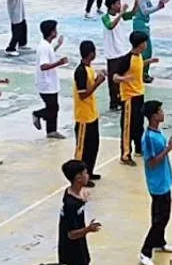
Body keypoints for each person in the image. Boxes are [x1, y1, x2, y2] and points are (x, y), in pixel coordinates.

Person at [139, 100, 172, 265]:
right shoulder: (148, 137)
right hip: (157, 184)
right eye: (160, 111)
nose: (163, 113)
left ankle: (159, 241)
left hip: (163, 180)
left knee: (161, 215)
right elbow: (151, 162)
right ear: (154, 116)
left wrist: (171, 146)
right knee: (160, 218)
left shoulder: (157, 132)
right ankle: (145, 251)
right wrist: (169, 148)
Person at [114, 30, 157, 165]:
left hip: (139, 94)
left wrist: (149, 61)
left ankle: (139, 149)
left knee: (138, 125)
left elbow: (138, 66)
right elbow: (115, 77)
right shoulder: (127, 59)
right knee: (128, 127)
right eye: (144, 42)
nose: (146, 44)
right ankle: (125, 155)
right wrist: (124, 78)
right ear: (140, 44)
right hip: (129, 98)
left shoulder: (138, 57)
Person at [73, 41, 106, 183]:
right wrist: (97, 83)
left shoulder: (89, 68)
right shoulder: (80, 71)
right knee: (82, 150)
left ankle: (89, 172)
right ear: (91, 53)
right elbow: (83, 94)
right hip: (83, 117)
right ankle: (78, 177)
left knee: (93, 146)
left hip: (92, 114)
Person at [102, 0, 137, 112]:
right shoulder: (105, 17)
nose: (119, 6)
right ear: (111, 6)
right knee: (113, 81)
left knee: (122, 78)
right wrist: (121, 13)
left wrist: (136, 2)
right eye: (117, 4)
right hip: (112, 53)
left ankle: (121, 99)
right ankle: (113, 102)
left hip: (121, 51)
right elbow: (110, 26)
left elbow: (132, 14)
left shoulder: (120, 15)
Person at [134, 0, 171, 83]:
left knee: (146, 50)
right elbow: (145, 11)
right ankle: (143, 73)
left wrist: (159, 5)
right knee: (145, 51)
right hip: (140, 25)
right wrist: (159, 6)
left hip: (143, 25)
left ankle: (143, 72)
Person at [33, 20, 67, 140]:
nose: (56, 31)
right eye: (55, 29)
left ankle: (51, 131)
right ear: (51, 32)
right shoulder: (43, 47)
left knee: (54, 107)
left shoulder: (46, 46)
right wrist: (59, 63)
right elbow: (43, 66)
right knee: (52, 108)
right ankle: (37, 114)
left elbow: (49, 54)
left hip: (50, 83)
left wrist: (58, 45)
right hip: (46, 84)